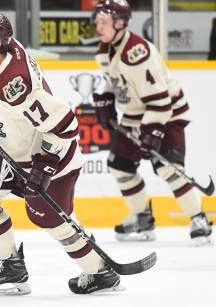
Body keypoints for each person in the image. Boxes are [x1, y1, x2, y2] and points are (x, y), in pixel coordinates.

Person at [0, 11, 124, 295]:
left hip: (52, 158)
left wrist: (44, 165)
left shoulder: (14, 84)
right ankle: (11, 268)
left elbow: (66, 123)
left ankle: (101, 274)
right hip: (14, 150)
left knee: (52, 220)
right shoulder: (3, 52)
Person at [92, 0, 213, 245]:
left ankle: (198, 218)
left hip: (167, 115)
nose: (97, 25)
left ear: (120, 23)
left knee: (169, 168)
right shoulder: (106, 50)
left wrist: (154, 131)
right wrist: (105, 98)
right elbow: (114, 79)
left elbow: (160, 99)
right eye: (97, 20)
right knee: (120, 166)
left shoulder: (137, 53)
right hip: (136, 114)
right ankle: (142, 217)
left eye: (103, 21)